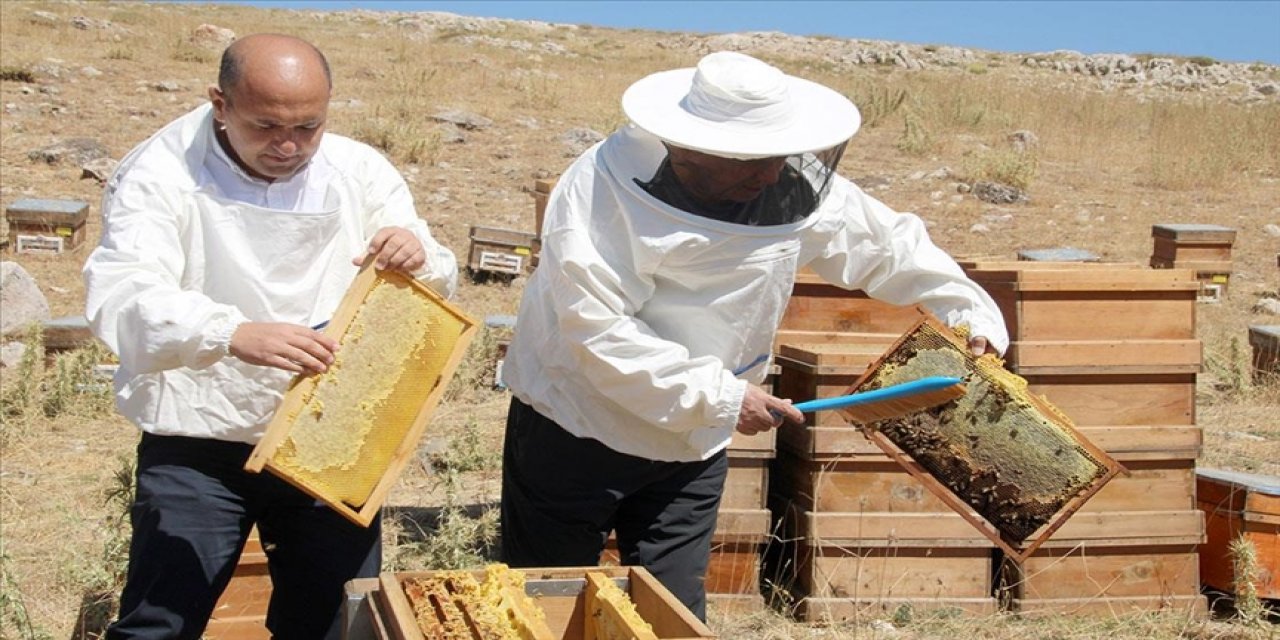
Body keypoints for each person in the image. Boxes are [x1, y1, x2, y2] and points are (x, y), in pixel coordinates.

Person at [499, 51, 1009, 619]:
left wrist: (967, 314)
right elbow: (595, 330)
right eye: (750, 162)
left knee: (674, 609)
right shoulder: (601, 189)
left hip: (694, 438)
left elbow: (889, 246)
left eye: (777, 157)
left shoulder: (794, 190)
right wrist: (720, 395)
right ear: (688, 149)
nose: (769, 175)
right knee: (545, 597)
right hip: (576, 420)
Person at [83, 34, 457, 639]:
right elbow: (123, 296)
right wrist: (231, 332)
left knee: (332, 619)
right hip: (200, 436)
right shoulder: (158, 172)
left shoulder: (360, 169)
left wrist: (417, 253)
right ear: (220, 104)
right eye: (266, 127)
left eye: (308, 127)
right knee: (162, 621)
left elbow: (434, 266)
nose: (288, 146)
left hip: (329, 435)